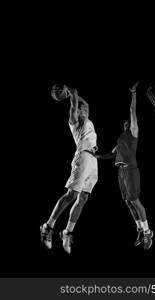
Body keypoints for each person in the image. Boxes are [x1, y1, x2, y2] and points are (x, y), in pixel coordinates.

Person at [40, 86, 98, 253]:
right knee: (71, 195)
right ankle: (47, 227)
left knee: (83, 198)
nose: (85, 109)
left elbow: (84, 103)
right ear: (77, 111)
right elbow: (75, 104)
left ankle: (67, 232)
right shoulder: (75, 120)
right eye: (81, 109)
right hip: (82, 158)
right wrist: (71, 93)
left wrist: (75, 94)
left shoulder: (87, 119)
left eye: (85, 108)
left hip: (93, 160)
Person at [96, 82, 153, 250]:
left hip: (131, 170)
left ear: (132, 124)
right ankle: (140, 230)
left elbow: (132, 111)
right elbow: (112, 153)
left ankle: (148, 232)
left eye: (129, 122)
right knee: (128, 203)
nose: (126, 124)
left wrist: (134, 94)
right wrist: (97, 156)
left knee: (135, 202)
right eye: (125, 124)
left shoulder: (133, 133)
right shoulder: (121, 138)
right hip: (121, 172)